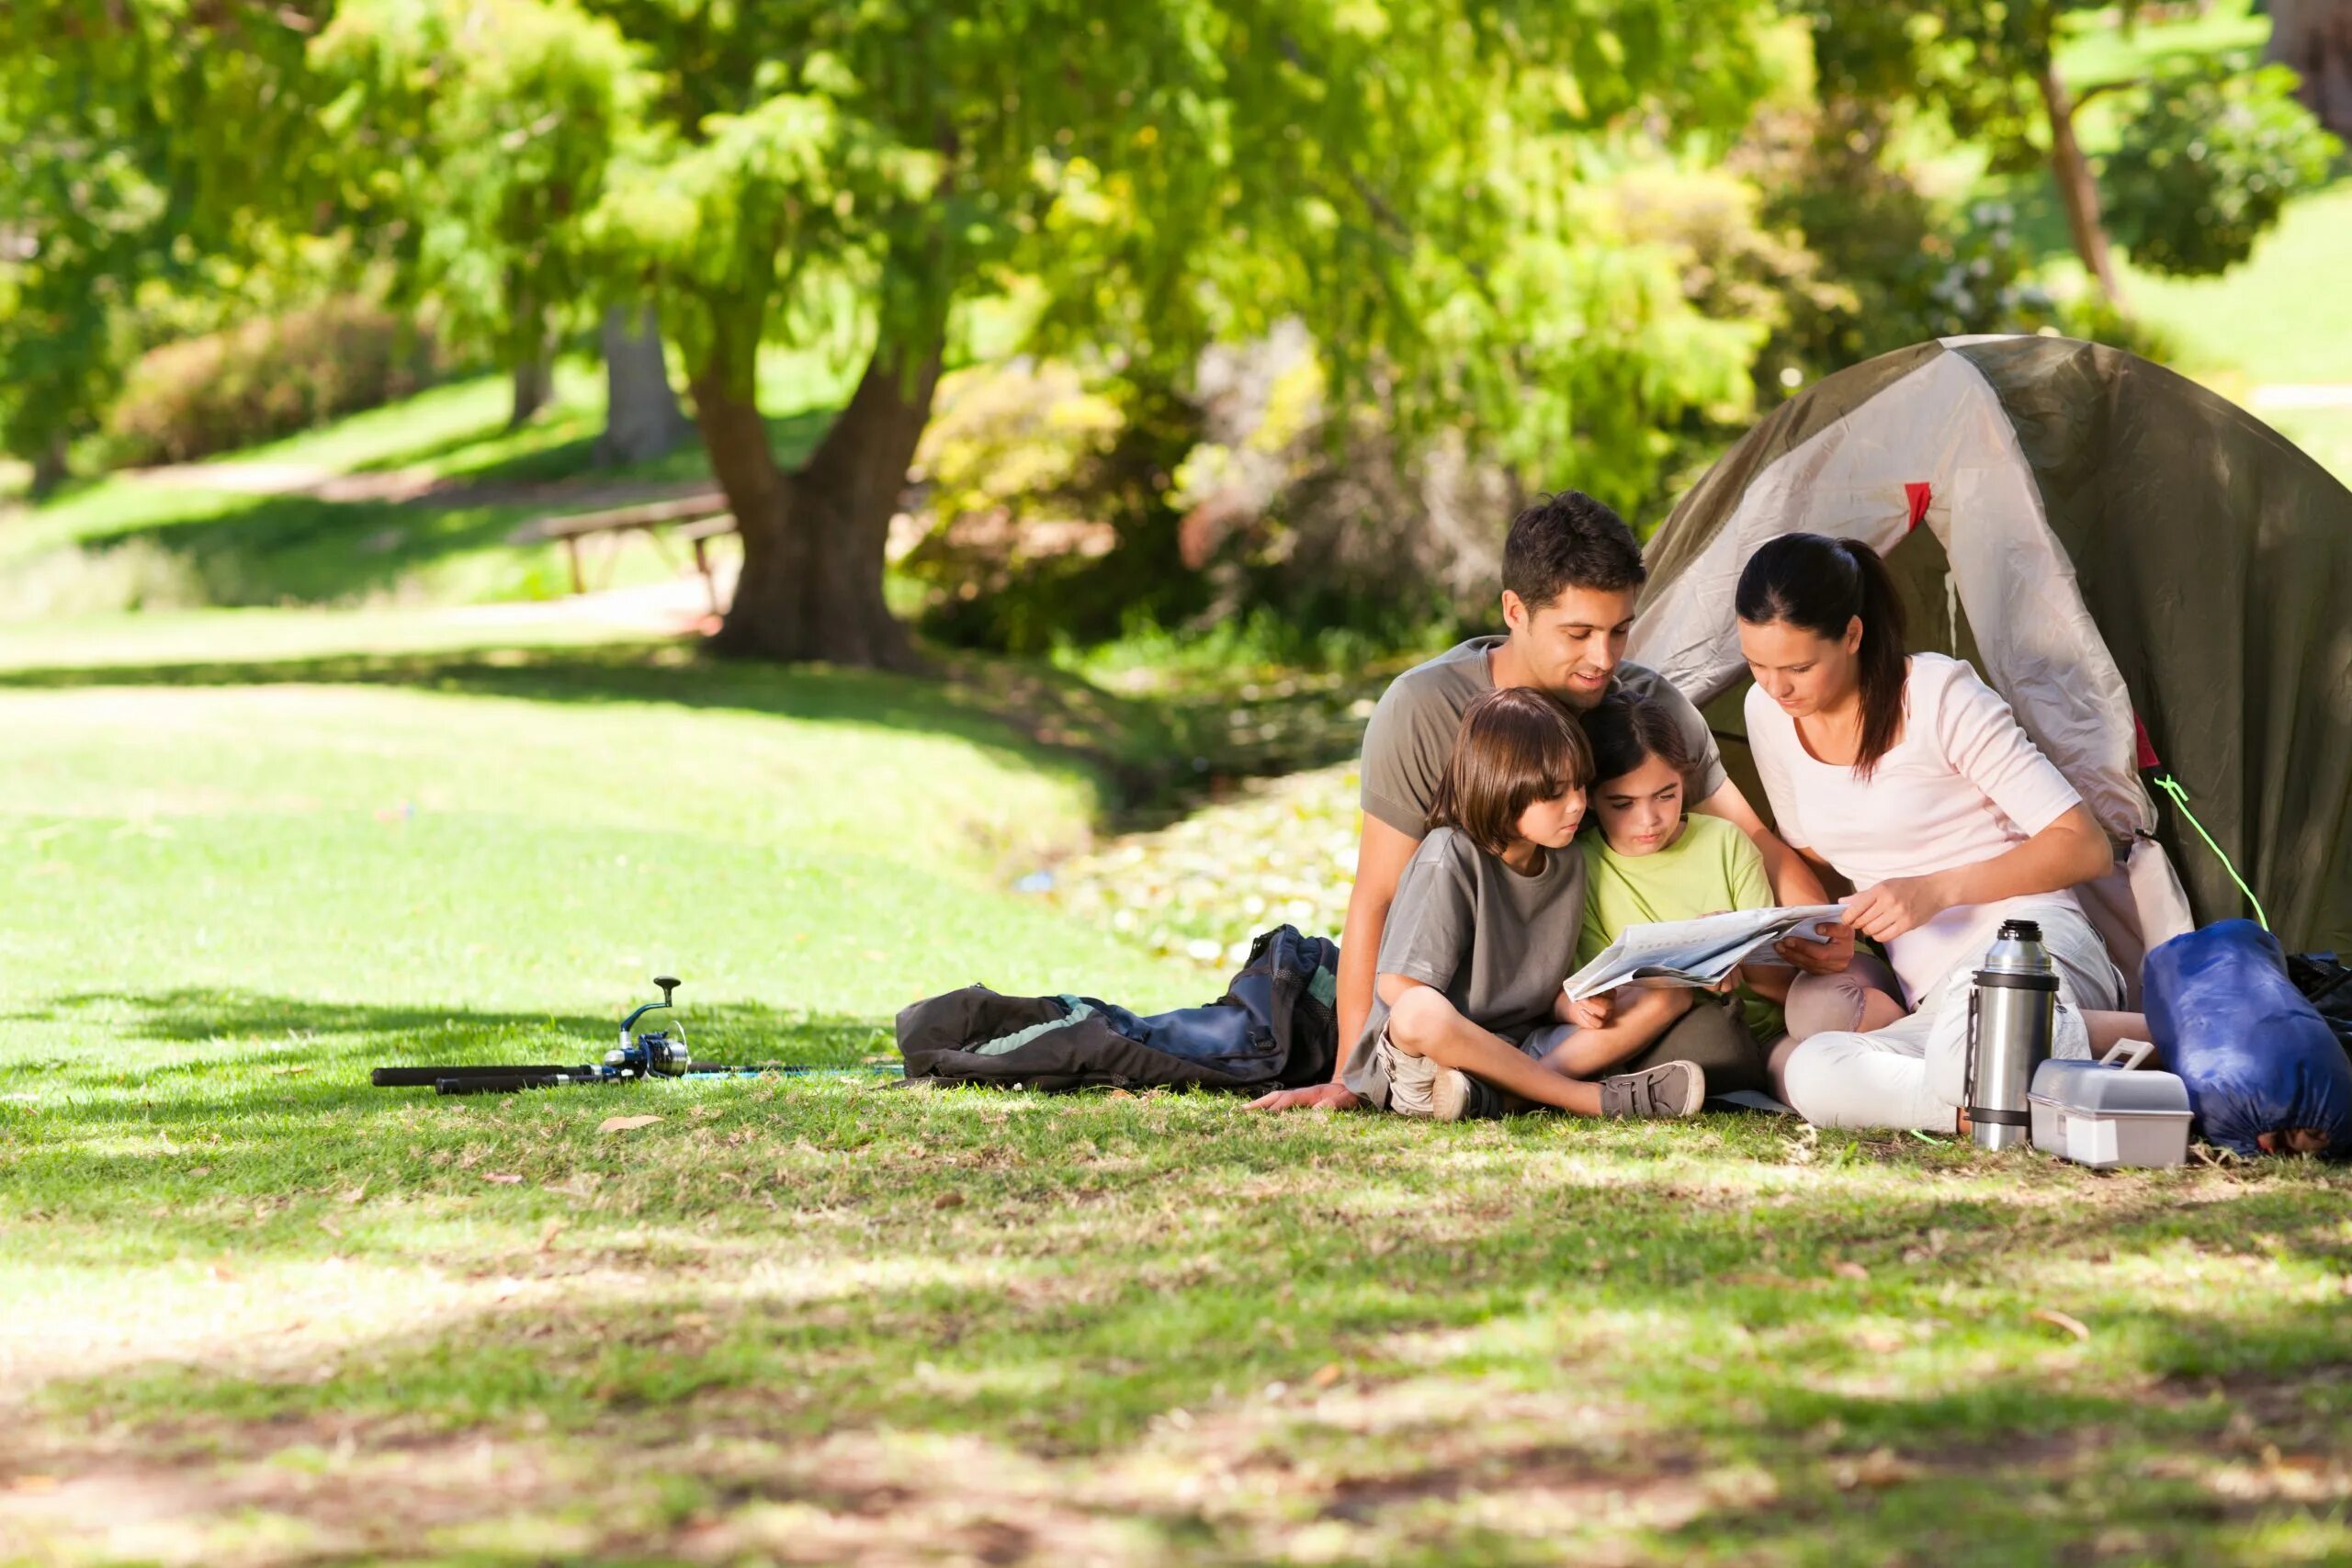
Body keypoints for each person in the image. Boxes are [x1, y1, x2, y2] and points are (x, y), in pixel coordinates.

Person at [1251, 491, 1844, 1114]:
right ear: (1515, 609)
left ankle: (1498, 1088)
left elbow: (1757, 840)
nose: (1604, 658)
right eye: (1579, 632)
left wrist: (1822, 936)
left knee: (1686, 1017)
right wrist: (1351, 1071)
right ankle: (1562, 1094)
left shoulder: (1647, 708)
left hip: (1575, 1007)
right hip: (1465, 1000)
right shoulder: (1423, 710)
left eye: (1620, 630)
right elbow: (1376, 895)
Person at [1736, 532, 2143, 1130]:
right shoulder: (1767, 713)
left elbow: (2084, 845)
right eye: (1757, 664)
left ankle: (2127, 1045)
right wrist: (1842, 929)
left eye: (1797, 666)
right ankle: (1975, 1105)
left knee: (1980, 1033)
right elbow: (1822, 849)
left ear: (1852, 635)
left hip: (2031, 946)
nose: (1777, 687)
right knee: (1813, 1066)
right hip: (1937, 1002)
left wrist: (1936, 890)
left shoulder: (1936, 695)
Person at [1339, 686, 1708, 1122]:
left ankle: (1502, 1098)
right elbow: (1397, 989)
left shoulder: (1567, 859)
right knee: (1420, 1011)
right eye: (1554, 793)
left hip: (1524, 1046)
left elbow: (1535, 984)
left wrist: (1569, 1005)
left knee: (1670, 996)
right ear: (1501, 788)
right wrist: (1481, 1047)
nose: (1576, 805)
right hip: (1423, 1065)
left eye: (1579, 786)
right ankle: (1588, 1099)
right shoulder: (1450, 856)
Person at [1547, 691, 1783, 1092]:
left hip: (1760, 1028)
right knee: (1702, 1032)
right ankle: (1525, 1085)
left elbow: (1778, 985)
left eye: (1666, 795)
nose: (1649, 821)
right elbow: (1606, 994)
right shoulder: (1581, 866)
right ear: (1590, 800)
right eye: (1622, 803)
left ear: (1685, 781)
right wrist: (1683, 971)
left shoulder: (1726, 842)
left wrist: (1730, 947)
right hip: (1660, 1031)